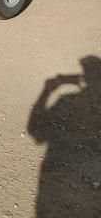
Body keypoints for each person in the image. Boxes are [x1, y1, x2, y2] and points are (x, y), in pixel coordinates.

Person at [28, 56, 101, 217]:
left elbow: (36, 131)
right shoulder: (68, 101)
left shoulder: (67, 101)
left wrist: (48, 89)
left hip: (58, 190)